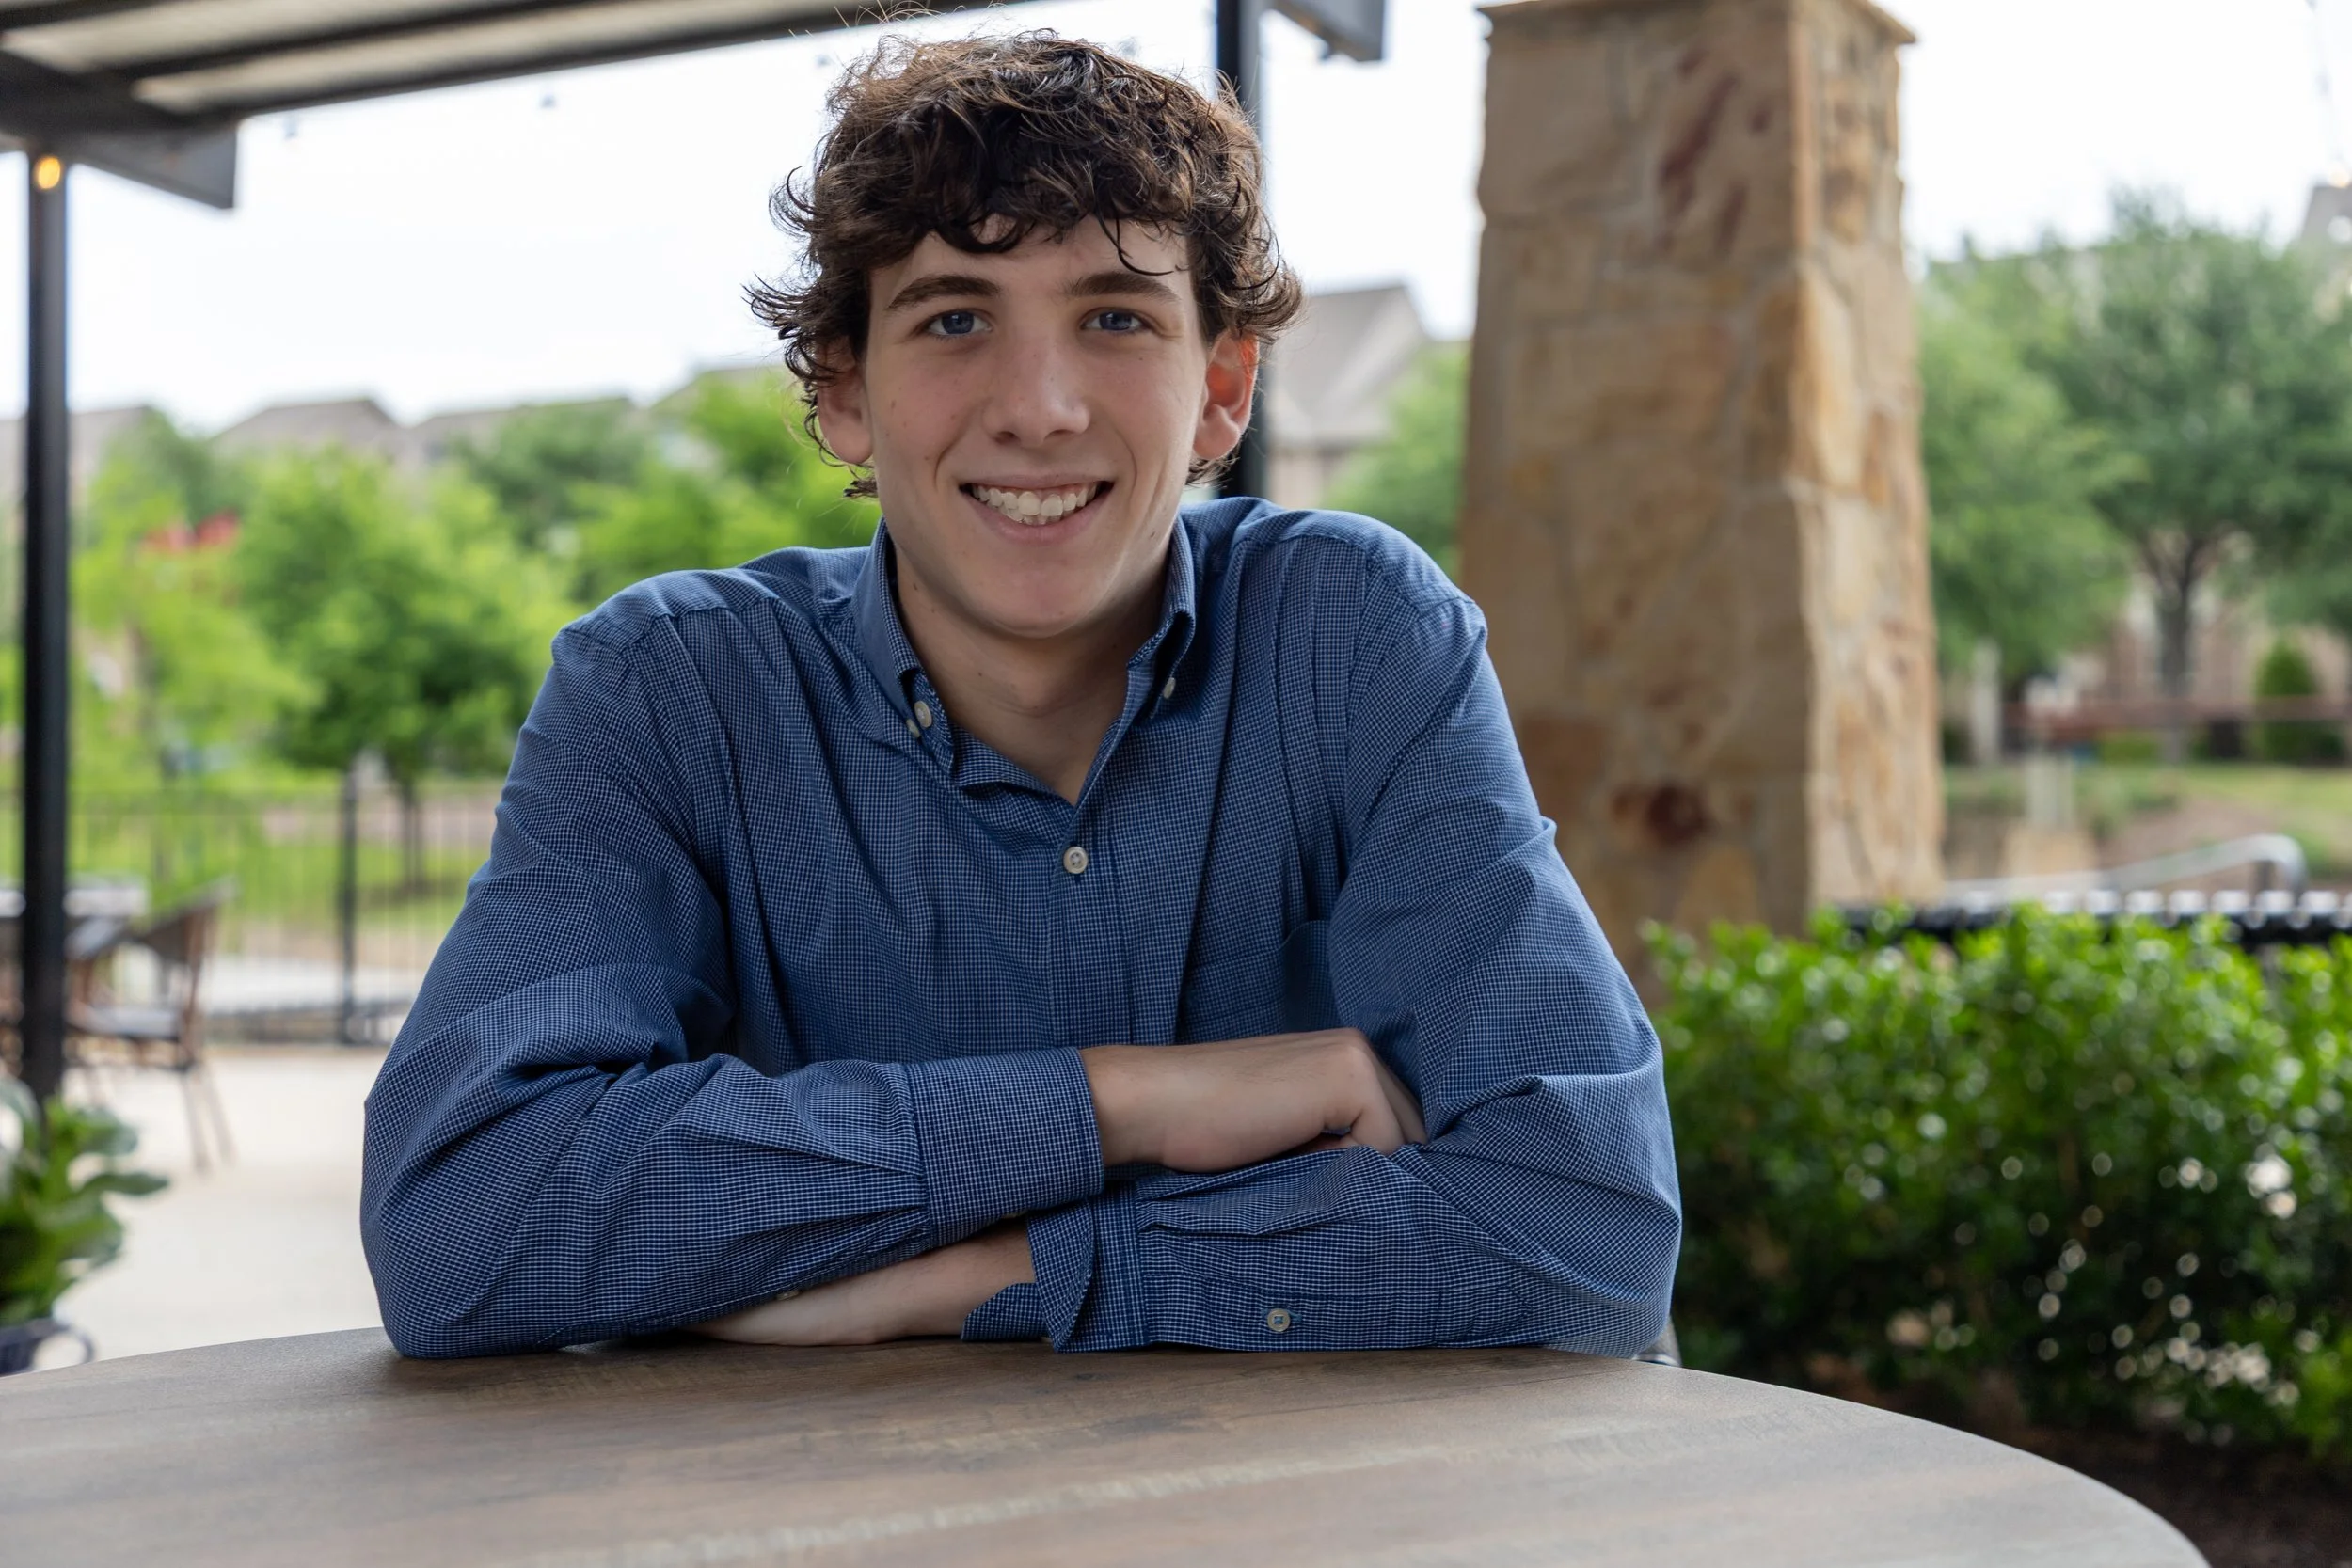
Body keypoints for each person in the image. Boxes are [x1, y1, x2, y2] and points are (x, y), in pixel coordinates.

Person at [361, 31, 1679, 1358]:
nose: (1040, 407)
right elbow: (460, 1221)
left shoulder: (1352, 640)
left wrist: (991, 1279)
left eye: (1115, 317)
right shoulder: (672, 690)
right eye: (953, 318)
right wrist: (1123, 1104)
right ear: (841, 391)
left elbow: (1584, 1239)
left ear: (1221, 388)